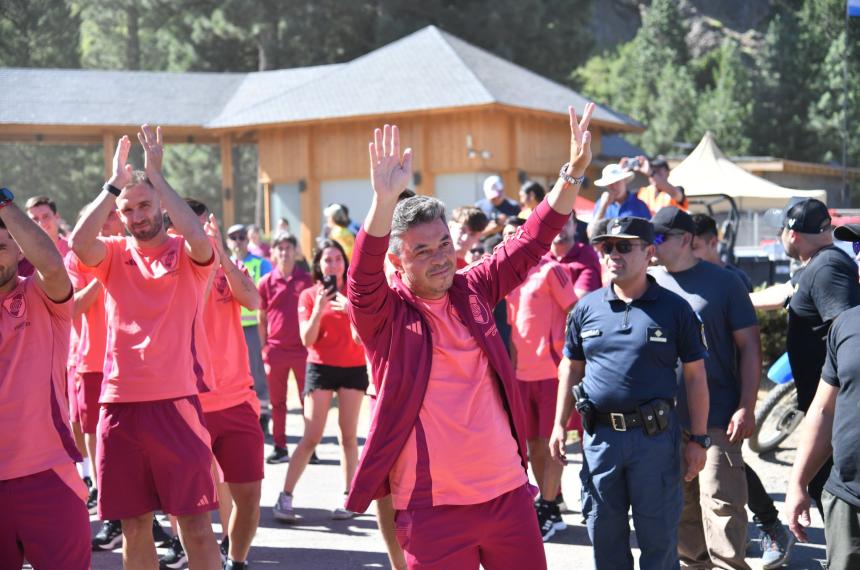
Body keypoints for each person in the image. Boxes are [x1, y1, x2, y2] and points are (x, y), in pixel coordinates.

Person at [346, 103, 595, 569]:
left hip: (508, 494)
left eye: (444, 244)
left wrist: (572, 173)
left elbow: (532, 241)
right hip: (431, 507)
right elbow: (360, 279)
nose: (441, 257)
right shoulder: (385, 316)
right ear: (397, 261)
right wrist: (383, 202)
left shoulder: (472, 288)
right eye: (422, 251)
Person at [69, 126, 222, 569]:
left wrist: (156, 175)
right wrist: (112, 187)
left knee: (194, 524)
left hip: (176, 405)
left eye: (144, 205)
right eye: (127, 209)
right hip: (119, 407)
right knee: (134, 526)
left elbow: (196, 236)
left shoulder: (187, 252)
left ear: (160, 205)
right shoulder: (114, 252)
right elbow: (79, 243)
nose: (137, 216)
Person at [550, 215, 710, 570]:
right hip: (601, 440)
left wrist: (698, 439)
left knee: (659, 542)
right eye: (607, 247)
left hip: (654, 440)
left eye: (624, 246)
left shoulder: (675, 309)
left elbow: (697, 377)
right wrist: (560, 424)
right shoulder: (586, 308)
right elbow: (571, 367)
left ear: (650, 252)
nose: (613, 254)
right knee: (604, 538)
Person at [650, 206, 764, 569]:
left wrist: (747, 404)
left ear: (685, 240)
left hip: (718, 416)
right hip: (666, 421)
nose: (651, 246)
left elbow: (750, 348)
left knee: (722, 505)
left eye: (658, 238)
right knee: (682, 512)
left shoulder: (724, 282)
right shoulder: (649, 281)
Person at [0, 188, 90, 570]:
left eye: (1, 245)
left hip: (48, 476)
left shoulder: (41, 296)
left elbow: (53, 266)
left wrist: (4, 204)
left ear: (21, 251)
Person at [754, 199, 860, 519]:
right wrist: (728, 299)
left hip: (835, 414)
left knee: (835, 504)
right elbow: (780, 295)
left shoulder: (826, 268)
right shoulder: (816, 265)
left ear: (792, 234)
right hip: (826, 409)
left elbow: (847, 334)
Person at [192, 200, 264, 570]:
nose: (201, 232)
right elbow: (189, 311)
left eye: (205, 225)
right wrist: (204, 263)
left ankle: (236, 560)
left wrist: (219, 256)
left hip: (237, 401)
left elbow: (253, 300)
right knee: (195, 506)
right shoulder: (172, 271)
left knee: (249, 496)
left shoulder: (225, 268)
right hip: (190, 404)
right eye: (194, 227)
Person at [273, 239, 368, 522]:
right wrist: (319, 309)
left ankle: (349, 497)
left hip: (353, 367)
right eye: (327, 260)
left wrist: (351, 310)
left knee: (348, 436)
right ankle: (285, 496)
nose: (333, 264)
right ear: (318, 265)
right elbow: (306, 339)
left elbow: (361, 339)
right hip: (321, 368)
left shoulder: (355, 294)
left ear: (345, 263)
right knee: (312, 435)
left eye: (337, 258)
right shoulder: (309, 295)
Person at [786, 222, 860, 570]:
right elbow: (824, 410)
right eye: (859, 250)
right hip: (847, 498)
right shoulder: (846, 325)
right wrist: (798, 483)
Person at [502, 218, 578, 541]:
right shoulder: (509, 280)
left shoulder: (550, 269)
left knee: (553, 445)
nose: (506, 243)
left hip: (552, 374)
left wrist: (571, 363)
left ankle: (547, 506)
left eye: (512, 236)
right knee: (533, 447)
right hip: (523, 378)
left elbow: (576, 312)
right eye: (503, 237)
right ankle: (550, 504)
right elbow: (514, 332)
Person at [258, 232, 313, 464]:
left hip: (302, 351)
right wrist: (263, 349)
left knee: (307, 401)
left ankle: (310, 447)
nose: (284, 252)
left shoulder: (307, 280)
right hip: (275, 351)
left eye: (288, 248)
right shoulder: (266, 282)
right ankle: (280, 447)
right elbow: (261, 318)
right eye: (279, 248)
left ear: (295, 251)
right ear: (273, 253)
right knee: (277, 403)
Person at [226, 223, 274, 437]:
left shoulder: (260, 263)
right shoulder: (222, 262)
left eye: (241, 236)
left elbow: (271, 291)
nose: (238, 240)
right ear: (227, 241)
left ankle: (263, 415)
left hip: (253, 326)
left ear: (248, 239)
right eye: (233, 237)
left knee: (257, 372)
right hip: (228, 327)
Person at [690, 213, 753, 292]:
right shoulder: (685, 277)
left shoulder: (736, 280)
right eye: (685, 247)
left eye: (694, 247)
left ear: (713, 243)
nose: (688, 253)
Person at [588, 164, 651, 238]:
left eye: (617, 182)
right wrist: (603, 207)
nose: (613, 186)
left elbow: (649, 234)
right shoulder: (601, 204)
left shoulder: (640, 205)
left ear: (624, 181)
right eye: (610, 183)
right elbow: (591, 234)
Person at [623, 155, 687, 214]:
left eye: (658, 171)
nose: (654, 174)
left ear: (667, 173)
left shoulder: (675, 190)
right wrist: (622, 172)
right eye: (652, 170)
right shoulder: (642, 192)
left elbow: (676, 194)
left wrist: (651, 173)